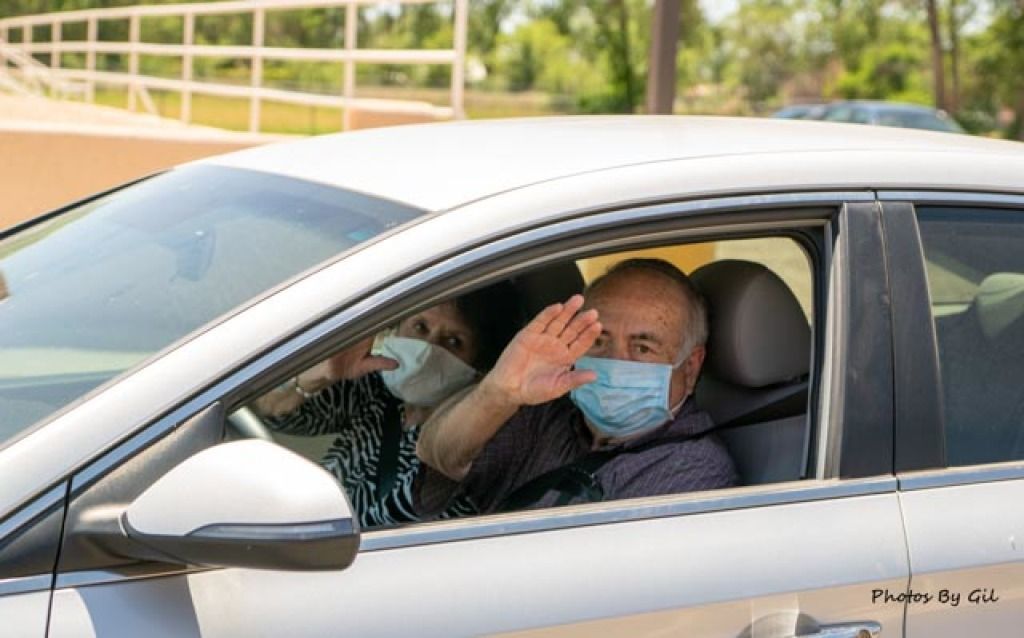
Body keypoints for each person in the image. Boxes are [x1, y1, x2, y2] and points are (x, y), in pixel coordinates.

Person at [416, 259, 737, 515]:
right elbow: (437, 454)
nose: (614, 361)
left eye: (642, 348)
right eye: (598, 340)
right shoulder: (546, 409)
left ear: (691, 367)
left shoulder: (692, 469)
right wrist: (499, 392)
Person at [254, 282, 523, 528]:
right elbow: (274, 414)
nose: (425, 351)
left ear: (479, 369)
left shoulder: (472, 443)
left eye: (453, 342)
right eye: (420, 327)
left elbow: (394, 526)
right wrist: (312, 379)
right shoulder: (377, 393)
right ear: (396, 330)